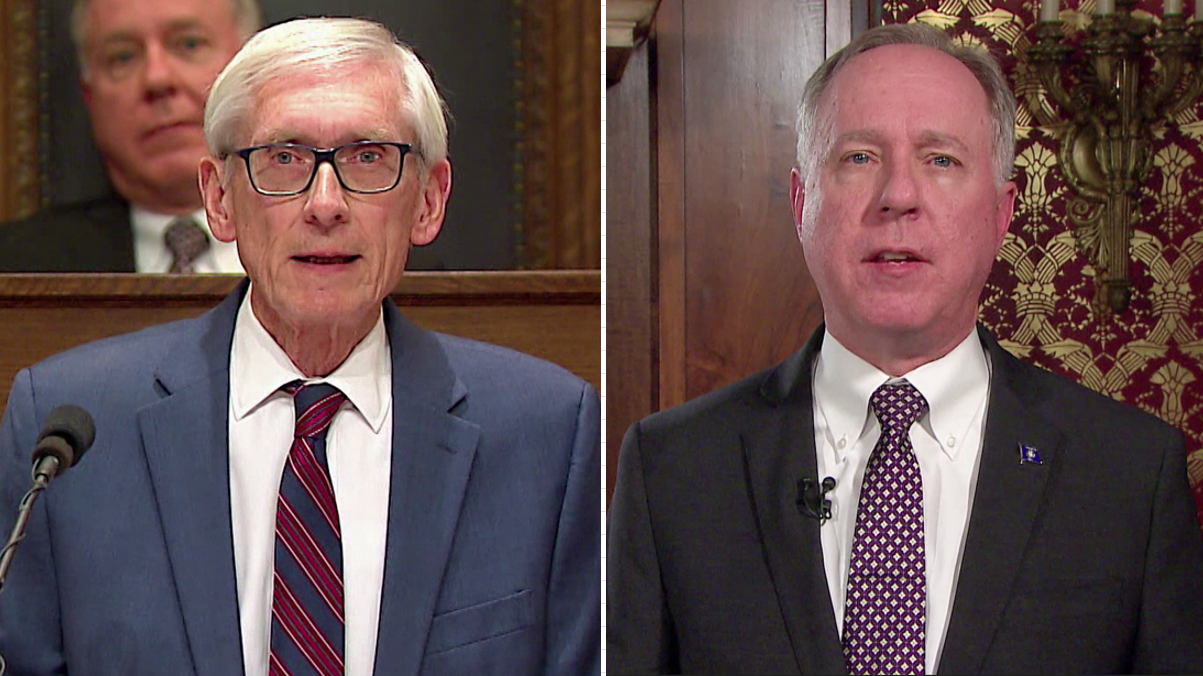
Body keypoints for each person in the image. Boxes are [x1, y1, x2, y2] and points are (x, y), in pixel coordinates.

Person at [0, 17, 599, 676]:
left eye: (367, 157)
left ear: (428, 201)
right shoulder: (70, 429)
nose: (324, 204)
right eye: (283, 157)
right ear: (219, 199)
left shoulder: (547, 432)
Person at [607, 23, 1203, 675]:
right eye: (859, 157)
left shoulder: (1127, 477)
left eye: (940, 159)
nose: (897, 197)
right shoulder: (671, 470)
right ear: (801, 201)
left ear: (1001, 213)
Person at [0, 0, 259, 273]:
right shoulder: (13, 268)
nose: (157, 79)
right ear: (90, 98)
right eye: (122, 57)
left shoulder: (305, 240)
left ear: (251, 66)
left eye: (189, 44)